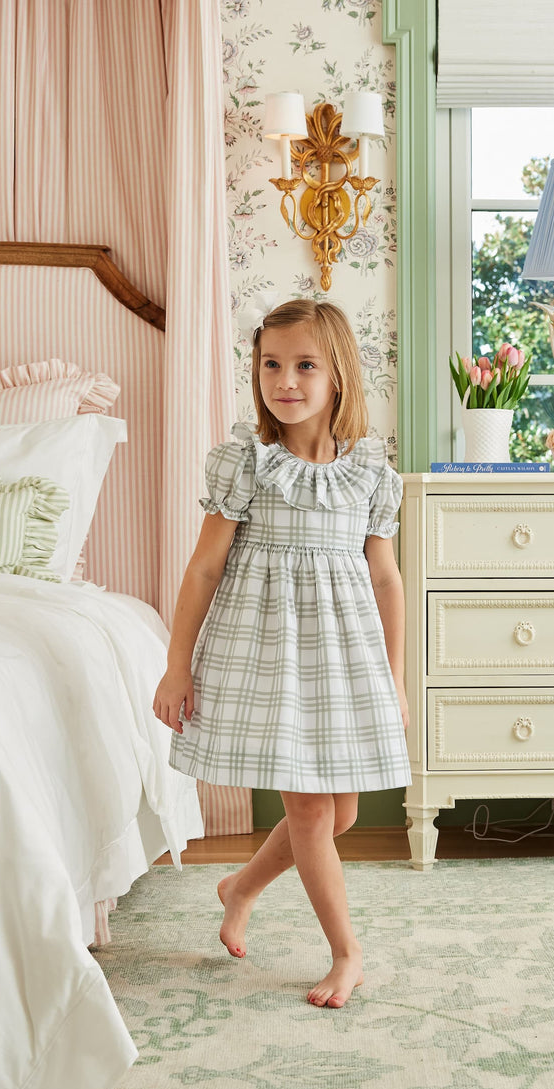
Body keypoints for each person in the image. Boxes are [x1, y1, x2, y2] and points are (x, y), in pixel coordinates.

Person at [152, 297, 410, 1009]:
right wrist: (177, 665)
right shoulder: (247, 464)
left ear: (338, 378)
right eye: (270, 364)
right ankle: (346, 954)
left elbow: (384, 578)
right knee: (308, 815)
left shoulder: (369, 473)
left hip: (343, 662)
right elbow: (204, 568)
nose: (284, 381)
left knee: (342, 815)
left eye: (303, 365)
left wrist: (393, 680)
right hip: (268, 656)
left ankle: (239, 887)